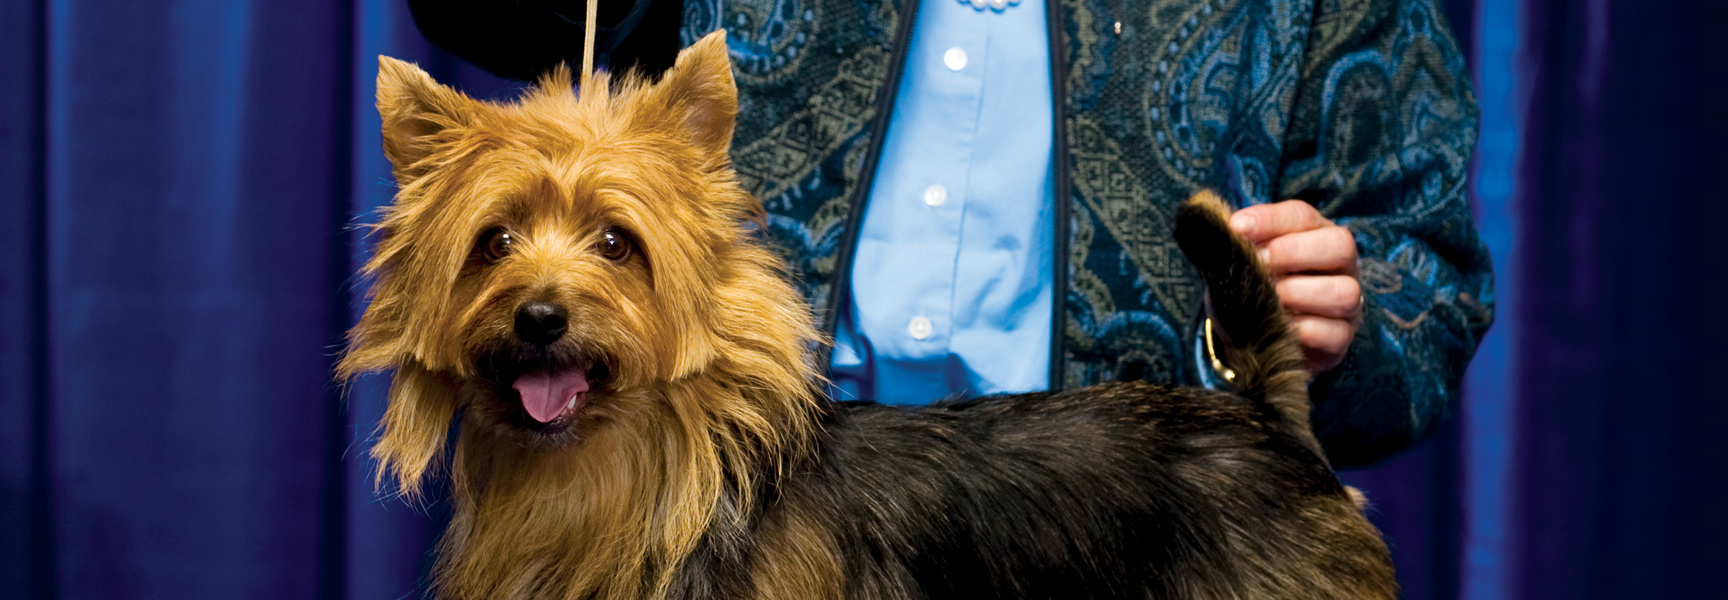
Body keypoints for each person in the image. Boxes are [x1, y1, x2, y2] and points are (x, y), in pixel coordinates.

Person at [405, 0, 1494, 467]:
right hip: (754, 517)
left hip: (1122, 524)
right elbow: (500, 18)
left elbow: (1422, 275)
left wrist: (1350, 327)